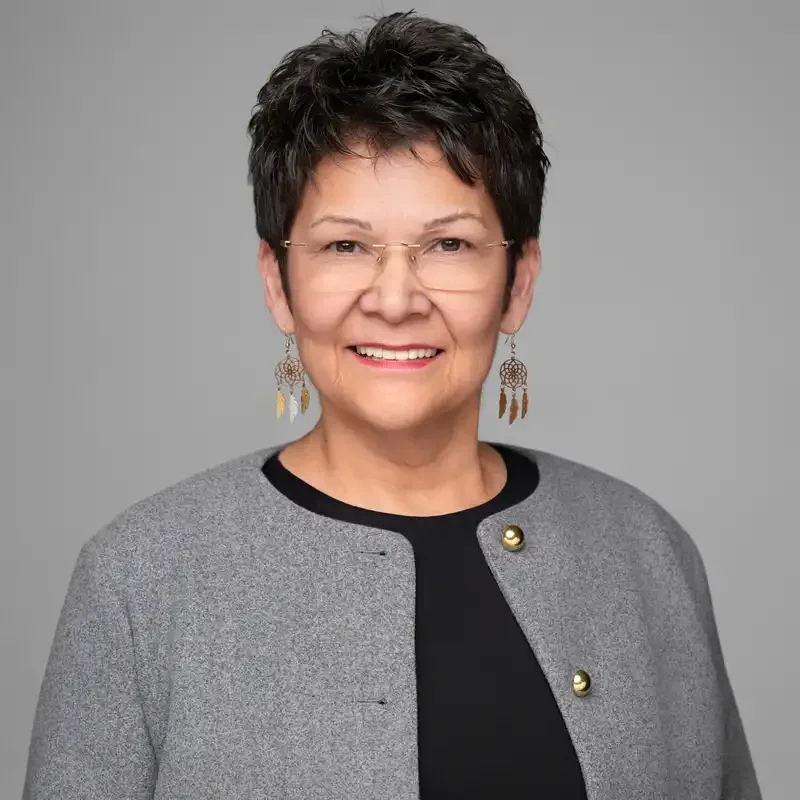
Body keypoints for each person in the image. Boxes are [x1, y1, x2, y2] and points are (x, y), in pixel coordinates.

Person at [23, 10, 762, 800]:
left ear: (518, 282)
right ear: (278, 282)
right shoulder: (138, 580)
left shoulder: (645, 551)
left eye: (449, 245)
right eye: (345, 245)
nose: (396, 299)